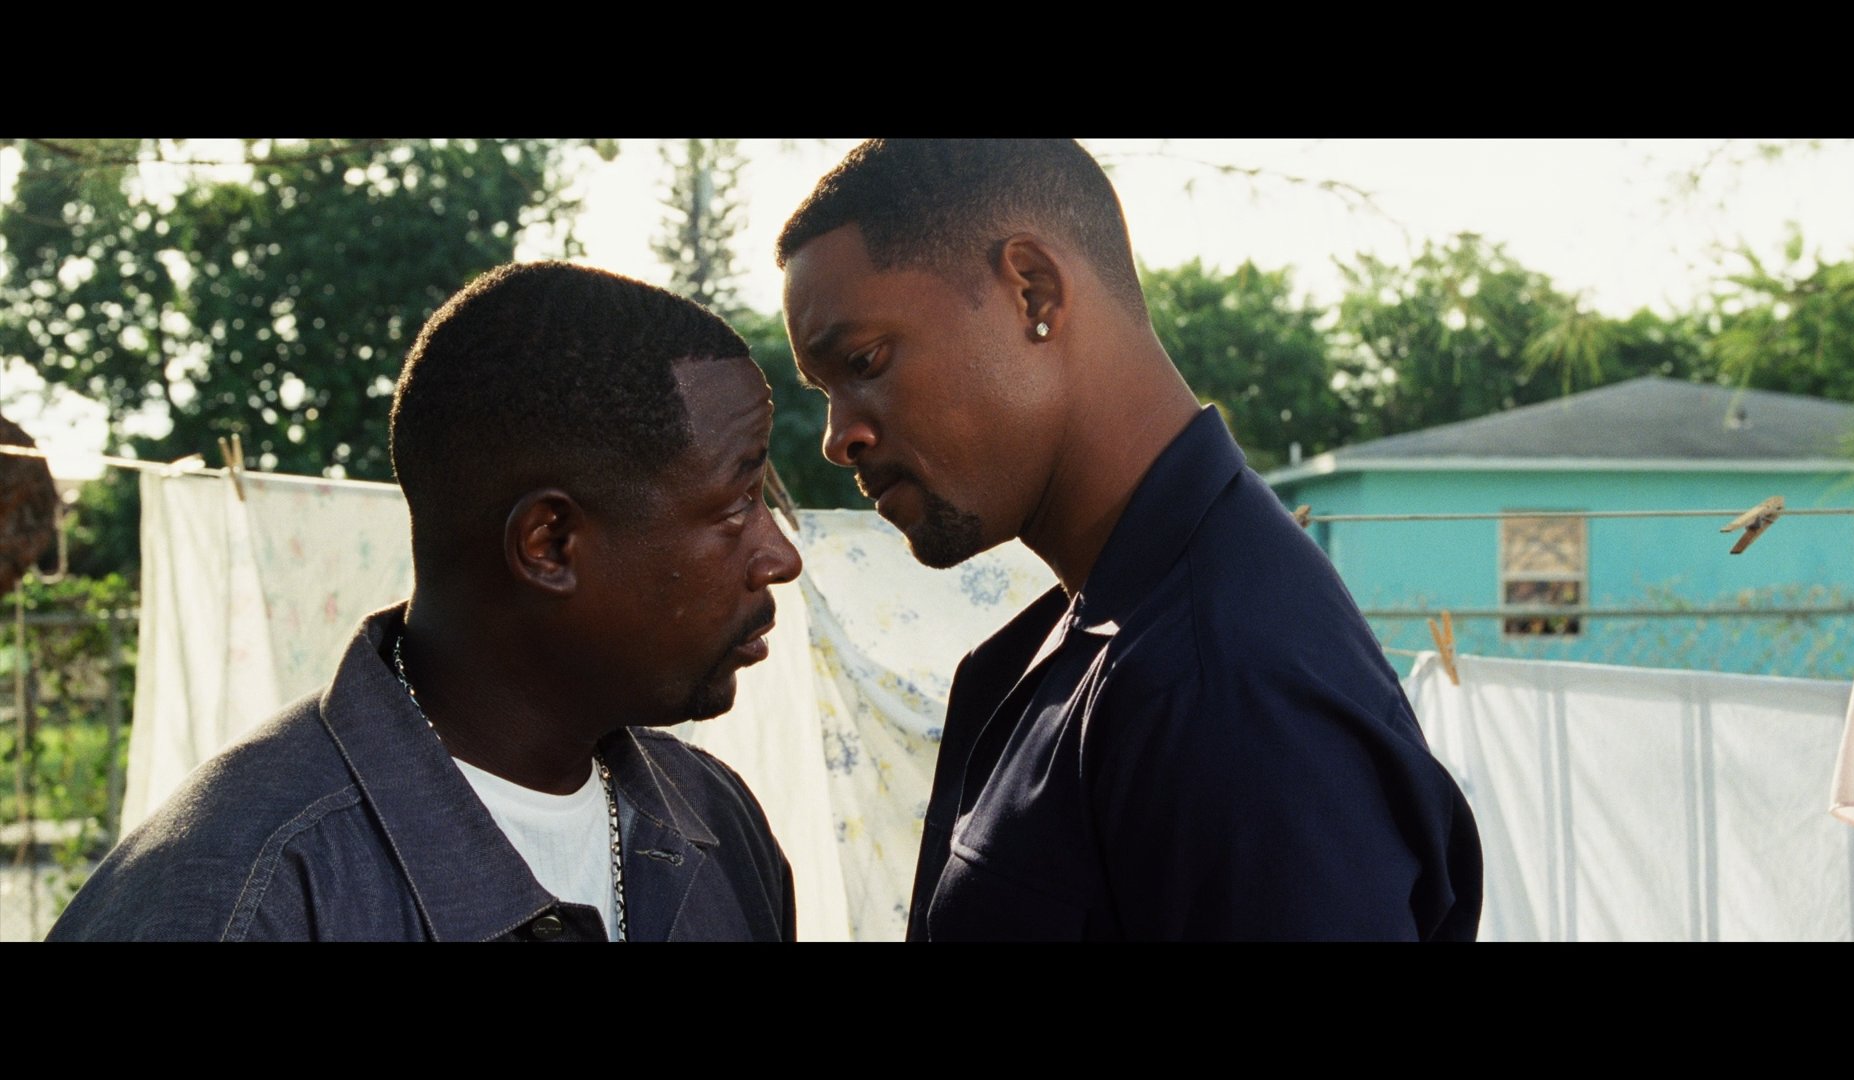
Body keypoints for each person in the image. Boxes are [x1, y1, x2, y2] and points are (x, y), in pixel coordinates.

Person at [778, 139, 1482, 941]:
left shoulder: (1228, 684)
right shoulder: (1094, 637)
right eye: (826, 390)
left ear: (1033, 291)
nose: (839, 437)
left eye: (864, 361)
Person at [50, 262, 803, 942]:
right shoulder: (242, 898)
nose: (780, 557)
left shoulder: (716, 822)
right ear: (549, 545)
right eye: (739, 503)